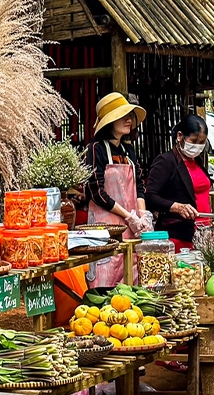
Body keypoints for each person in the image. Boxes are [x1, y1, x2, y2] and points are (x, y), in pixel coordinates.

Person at [84, 92, 153, 287]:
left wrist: (142, 216)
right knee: (105, 281)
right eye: (122, 116)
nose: (128, 120)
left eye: (130, 115)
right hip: (106, 229)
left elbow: (139, 185)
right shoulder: (95, 149)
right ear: (109, 121)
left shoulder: (128, 151)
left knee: (131, 280)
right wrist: (127, 216)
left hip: (133, 229)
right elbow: (95, 191)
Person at [146, 114, 214, 251]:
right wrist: (176, 207)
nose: (197, 146)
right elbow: (150, 196)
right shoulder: (166, 161)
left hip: (203, 235)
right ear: (179, 136)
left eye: (202, 142)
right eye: (194, 141)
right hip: (177, 237)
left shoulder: (198, 162)